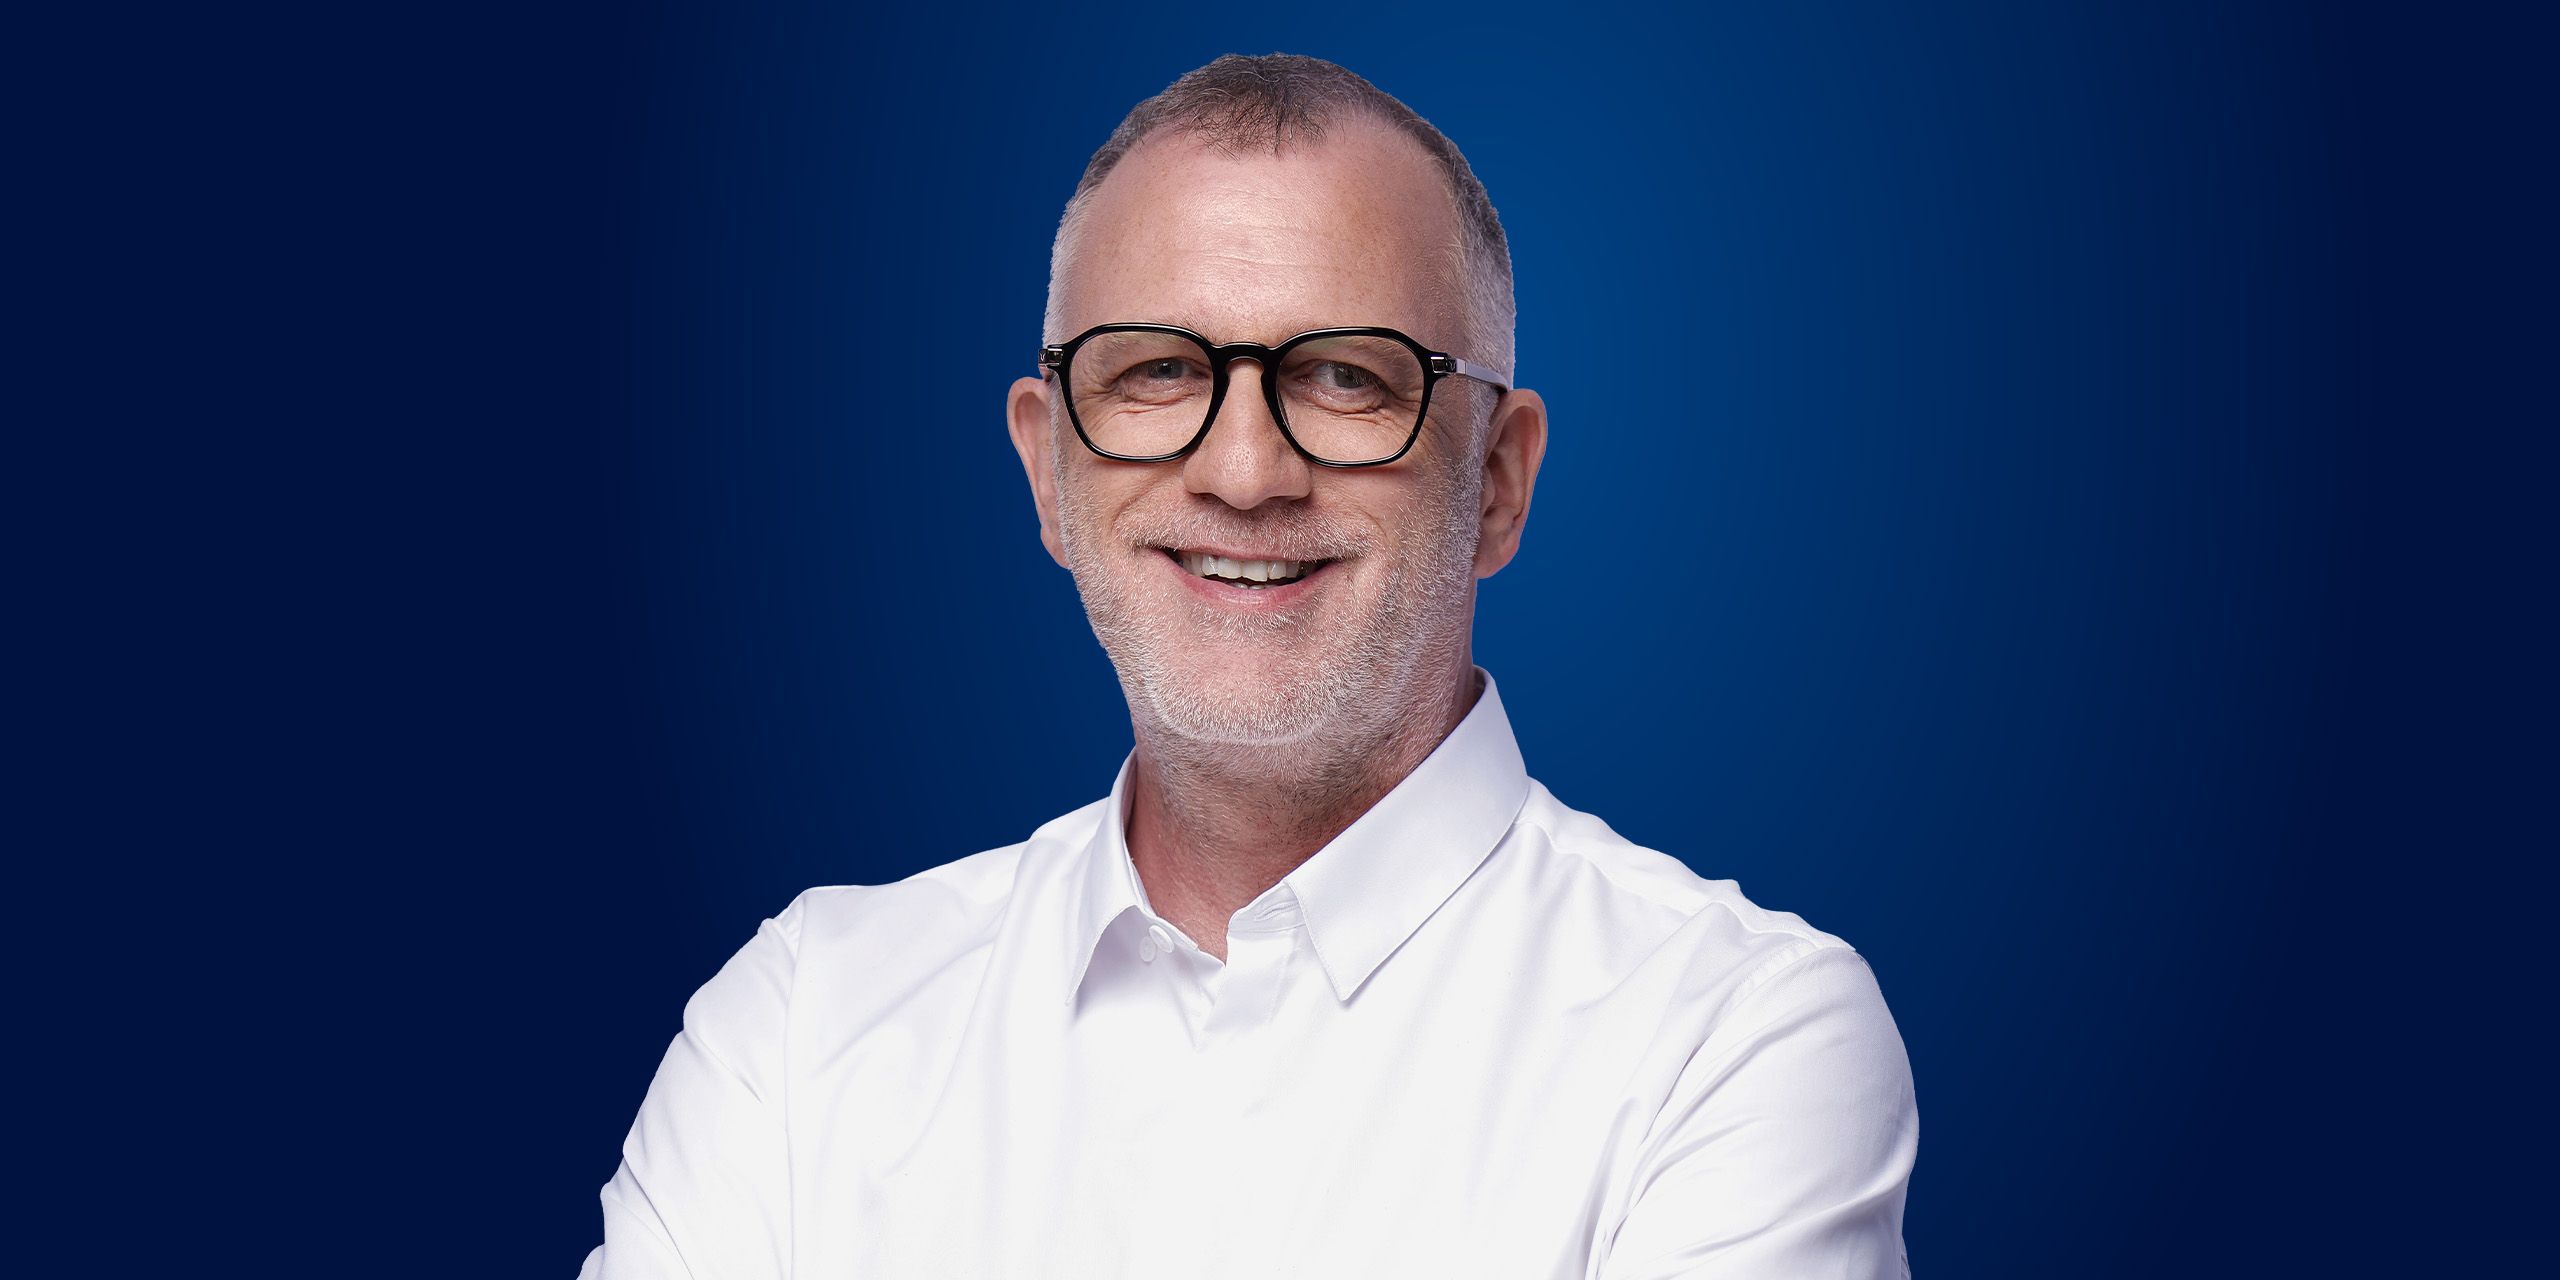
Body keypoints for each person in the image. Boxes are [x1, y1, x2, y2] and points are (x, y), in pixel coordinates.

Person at [583, 53, 1917, 1279]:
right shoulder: (802, 1028)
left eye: (1346, 379)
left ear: (1500, 485)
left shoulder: (1732, 1041)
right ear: (1048, 472)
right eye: (1158, 372)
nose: (1241, 470)